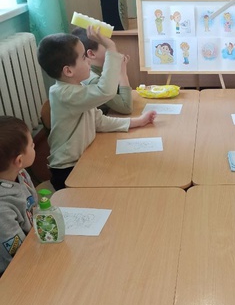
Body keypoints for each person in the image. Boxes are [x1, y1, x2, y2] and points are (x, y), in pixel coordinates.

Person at [37, 27, 157, 191]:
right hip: (68, 170)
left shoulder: (77, 89)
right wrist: (111, 48)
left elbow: (98, 121)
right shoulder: (65, 94)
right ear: (68, 70)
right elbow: (105, 91)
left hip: (84, 159)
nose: (88, 61)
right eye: (83, 57)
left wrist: (137, 122)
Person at [0, 116, 37, 275]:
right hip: (14, 273)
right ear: (19, 160)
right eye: (31, 145)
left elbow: (34, 207)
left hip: (35, 242)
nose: (34, 146)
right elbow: (19, 258)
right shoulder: (3, 210)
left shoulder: (20, 173)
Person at [72, 27, 132, 115]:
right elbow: (126, 107)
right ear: (91, 54)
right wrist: (122, 73)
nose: (114, 50)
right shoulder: (93, 80)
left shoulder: (103, 69)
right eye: (107, 45)